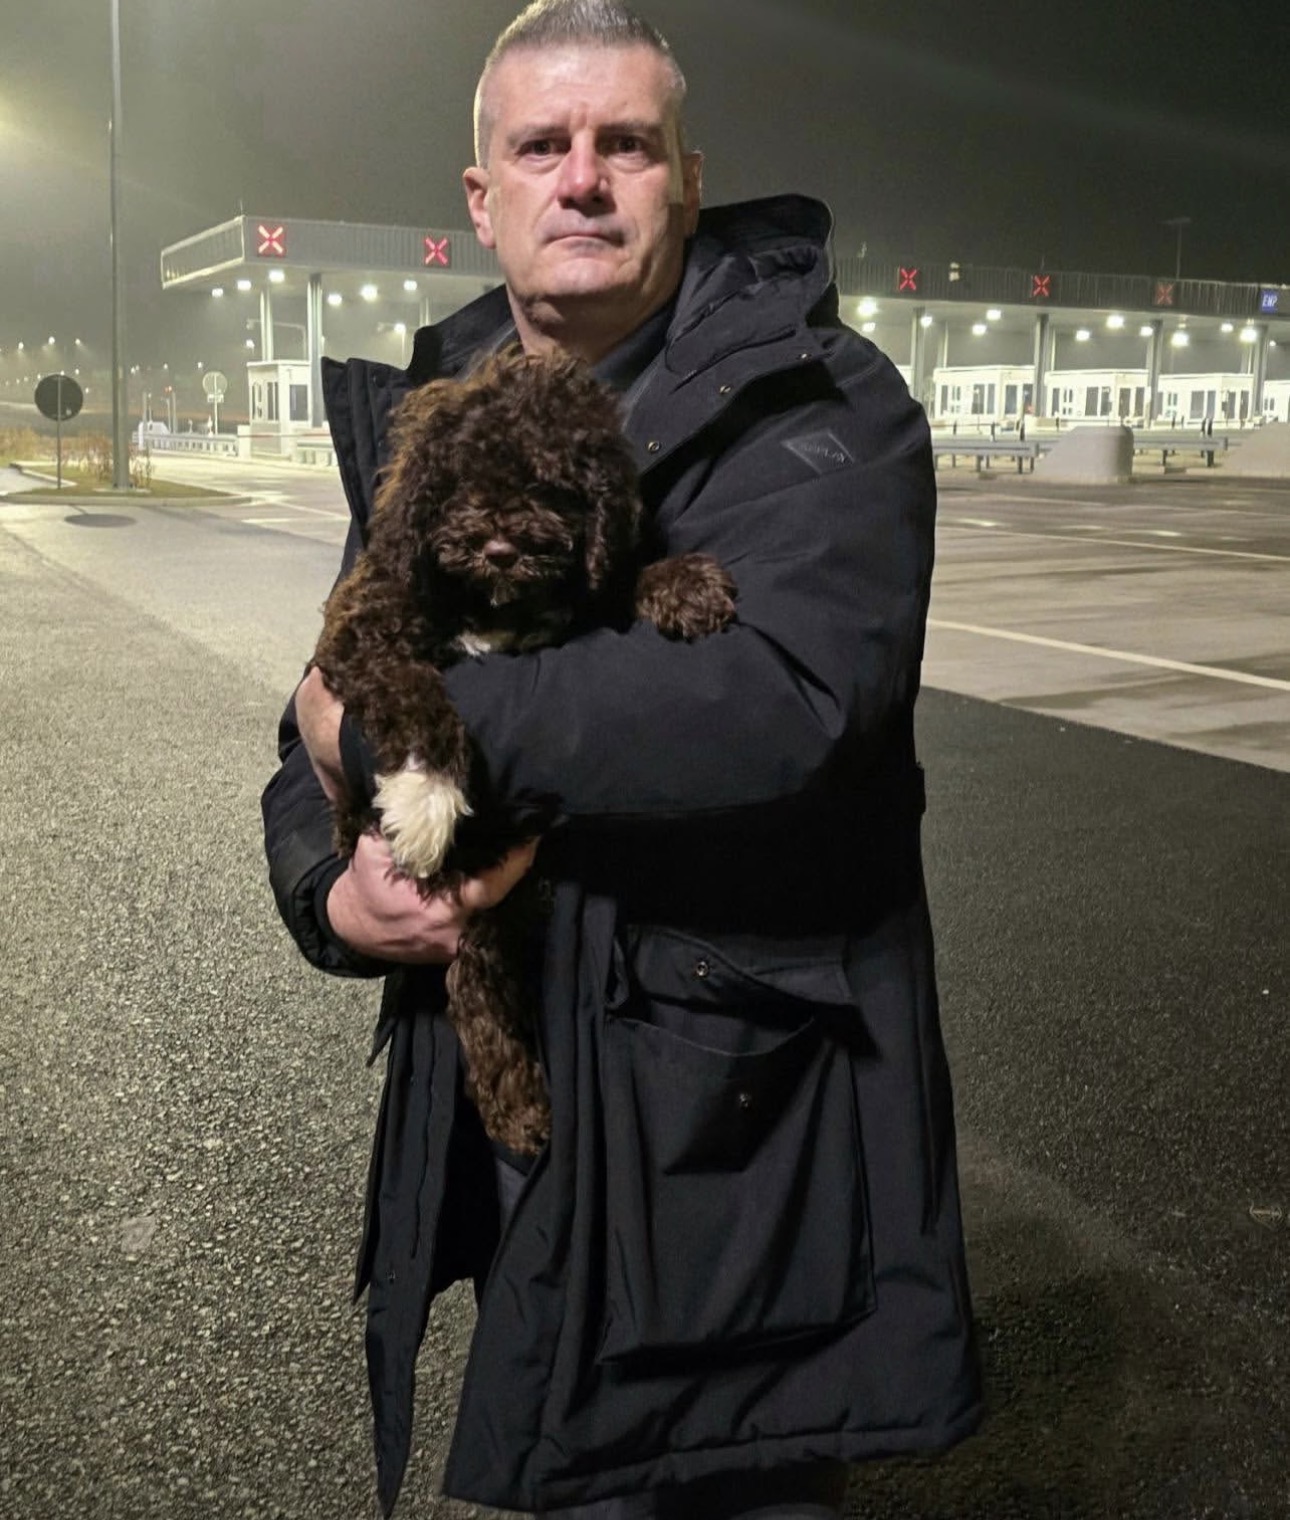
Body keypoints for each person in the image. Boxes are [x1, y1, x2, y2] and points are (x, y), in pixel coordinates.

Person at [261, 1, 982, 1514]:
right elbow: (321, 695)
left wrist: (404, 733)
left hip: (740, 1125)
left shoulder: (819, 405)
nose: (581, 178)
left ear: (686, 179)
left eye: (624, 144)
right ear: (483, 194)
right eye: (541, 145)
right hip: (518, 1068)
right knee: (552, 1448)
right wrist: (332, 892)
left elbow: (779, 700)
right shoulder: (434, 409)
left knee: (708, 1474)